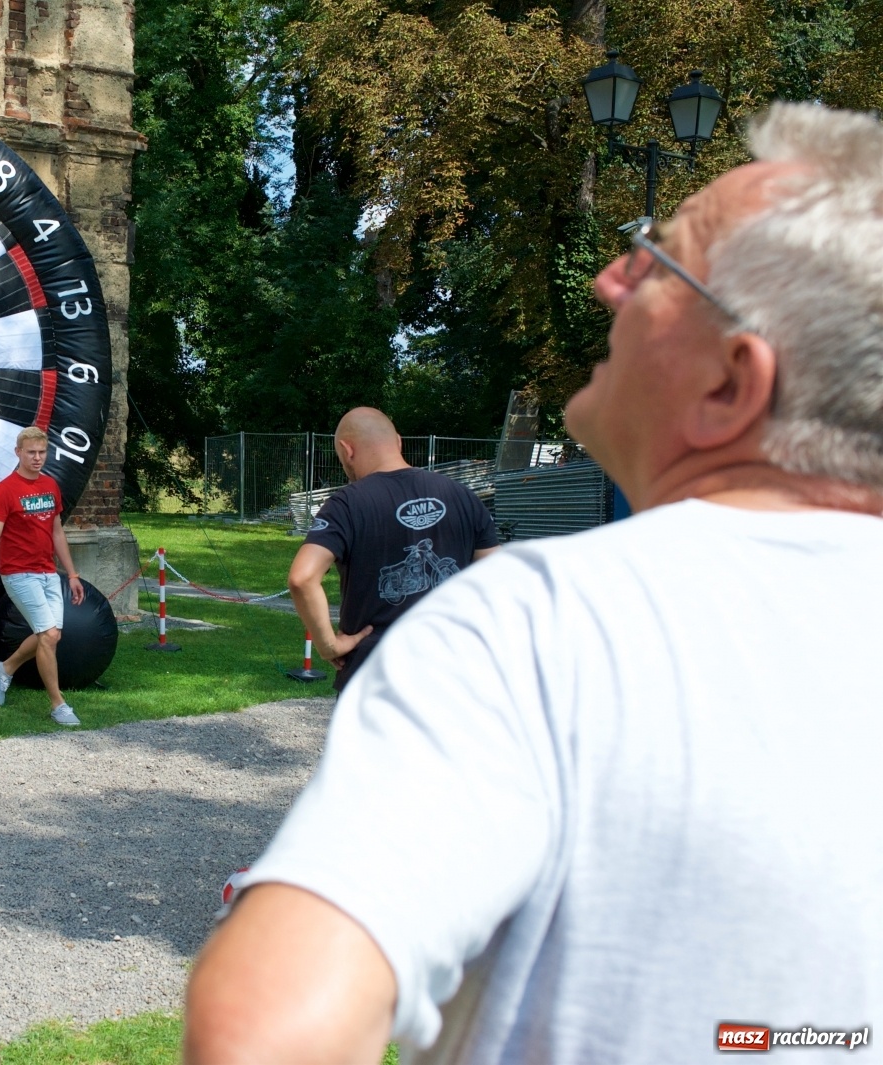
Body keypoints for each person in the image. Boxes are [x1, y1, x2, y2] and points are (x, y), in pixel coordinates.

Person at [186, 101, 883, 1064]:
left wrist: (342, 641)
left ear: (731, 382)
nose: (608, 280)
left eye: (659, 261)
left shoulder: (533, 630)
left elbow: (261, 1028)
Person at [288, 407, 498, 690]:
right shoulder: (462, 496)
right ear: (398, 441)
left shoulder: (347, 504)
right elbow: (497, 581)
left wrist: (328, 645)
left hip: (376, 678)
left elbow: (302, 578)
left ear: (346, 449)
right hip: (454, 676)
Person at [0, 425, 86, 726]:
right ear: (18, 453)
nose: (37, 458)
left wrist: (73, 574)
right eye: (31, 453)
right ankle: (58, 704)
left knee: (51, 636)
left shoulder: (50, 486)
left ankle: (4, 669)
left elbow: (57, 532)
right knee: (49, 635)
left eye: (42, 452)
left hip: (48, 572)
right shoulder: (5, 490)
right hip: (18, 574)